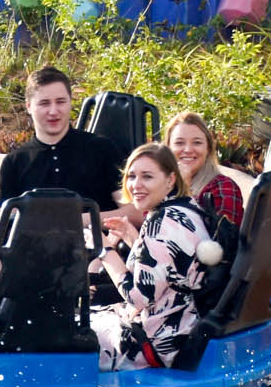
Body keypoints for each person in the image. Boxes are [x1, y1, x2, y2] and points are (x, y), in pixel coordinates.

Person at [91, 143, 219, 370]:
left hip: (155, 345)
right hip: (180, 328)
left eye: (147, 177)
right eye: (132, 176)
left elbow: (139, 297)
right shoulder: (185, 209)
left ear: (170, 180)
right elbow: (167, 267)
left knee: (68, 334)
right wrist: (131, 236)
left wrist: (103, 251)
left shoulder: (161, 222)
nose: (136, 185)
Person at [0, 66, 122, 208]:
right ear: (29, 106)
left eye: (60, 101)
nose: (53, 111)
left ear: (70, 102)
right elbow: (7, 218)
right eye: (44, 103)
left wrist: (80, 219)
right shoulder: (14, 162)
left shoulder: (102, 149)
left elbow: (133, 211)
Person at [166, 111, 243, 232]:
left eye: (197, 142)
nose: (188, 150)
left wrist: (184, 190)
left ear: (208, 148)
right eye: (179, 143)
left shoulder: (223, 187)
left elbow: (220, 237)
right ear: (168, 148)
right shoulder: (158, 185)